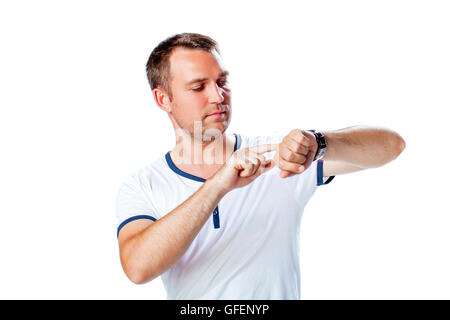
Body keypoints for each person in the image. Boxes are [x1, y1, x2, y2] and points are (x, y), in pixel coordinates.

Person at [115, 32, 406, 299]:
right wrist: (218, 184)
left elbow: (392, 146)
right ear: (163, 99)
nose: (218, 97)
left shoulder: (279, 153)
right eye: (198, 86)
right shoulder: (143, 185)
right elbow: (138, 268)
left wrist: (319, 143)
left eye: (222, 82)